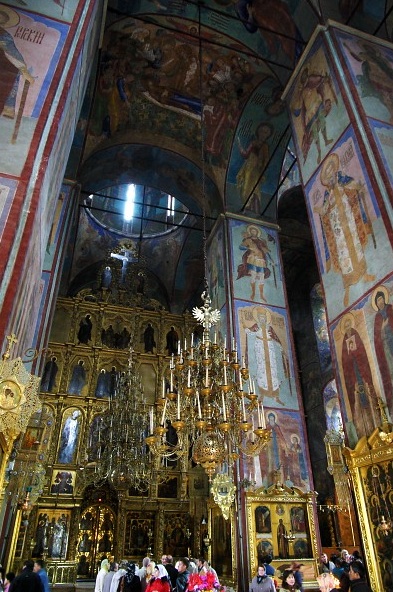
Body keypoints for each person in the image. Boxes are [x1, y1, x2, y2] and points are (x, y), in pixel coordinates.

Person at [314, 152, 375, 307]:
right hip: (338, 229)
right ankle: (347, 288)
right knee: (343, 257)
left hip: (348, 220)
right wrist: (321, 210)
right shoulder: (328, 193)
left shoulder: (342, 180)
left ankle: (364, 273)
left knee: (356, 246)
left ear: (334, 169)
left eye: (331, 170)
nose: (330, 174)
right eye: (327, 173)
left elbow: (354, 186)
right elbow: (326, 209)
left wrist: (355, 186)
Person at [237, 123, 273, 213]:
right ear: (258, 132)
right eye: (262, 131)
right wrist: (240, 147)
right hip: (248, 168)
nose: (263, 134)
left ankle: (256, 211)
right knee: (245, 188)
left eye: (266, 132)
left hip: (256, 170)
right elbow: (246, 155)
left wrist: (262, 168)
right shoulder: (253, 143)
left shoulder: (265, 147)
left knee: (255, 189)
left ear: (268, 135)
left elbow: (267, 160)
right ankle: (247, 206)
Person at [237, 225, 274, 302]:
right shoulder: (248, 240)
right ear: (250, 232)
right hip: (252, 259)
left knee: (261, 276)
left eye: (255, 231)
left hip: (261, 260)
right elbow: (241, 247)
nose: (254, 232)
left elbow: (266, 251)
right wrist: (248, 248)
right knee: (253, 275)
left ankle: (261, 295)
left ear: (257, 232)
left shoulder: (261, 241)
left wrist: (271, 260)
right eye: (252, 231)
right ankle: (253, 293)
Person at [373, 288, 393, 414]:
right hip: (386, 346)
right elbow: (376, 336)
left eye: (381, 299)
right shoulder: (377, 317)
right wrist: (383, 327)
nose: (380, 302)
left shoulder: (390, 309)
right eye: (378, 300)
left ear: (384, 299)